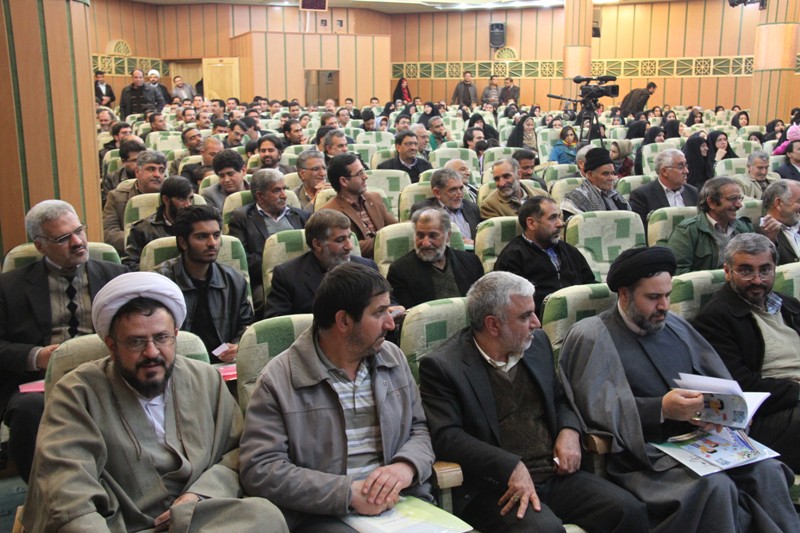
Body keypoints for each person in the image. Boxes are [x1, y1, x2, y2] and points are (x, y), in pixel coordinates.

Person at [22, 271, 287, 532]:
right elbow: (67, 486)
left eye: (162, 338)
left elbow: (239, 451)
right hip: (120, 524)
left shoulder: (205, 379)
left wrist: (201, 493)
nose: (151, 352)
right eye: (136, 342)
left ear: (175, 335)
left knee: (265, 516)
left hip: (198, 515)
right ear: (112, 346)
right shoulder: (76, 392)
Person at [559, 246, 800, 532]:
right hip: (645, 460)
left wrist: (715, 413)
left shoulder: (674, 325)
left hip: (700, 443)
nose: (664, 306)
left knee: (767, 472)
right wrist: (661, 409)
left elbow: (716, 380)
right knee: (716, 487)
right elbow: (596, 410)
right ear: (624, 294)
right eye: (653, 297)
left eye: (667, 296)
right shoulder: (592, 334)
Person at [420, 271, 649, 532]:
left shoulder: (536, 344)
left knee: (628, 511)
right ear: (493, 325)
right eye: (525, 316)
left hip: (554, 474)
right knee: (544, 530)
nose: (537, 323)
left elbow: (560, 399)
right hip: (495, 486)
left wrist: (569, 431)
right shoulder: (443, 366)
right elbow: (447, 437)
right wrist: (510, 466)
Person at [239, 262, 435, 530]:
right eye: (379, 313)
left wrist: (405, 467)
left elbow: (418, 429)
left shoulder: (393, 359)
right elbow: (261, 469)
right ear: (343, 321)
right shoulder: (279, 379)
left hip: (403, 504)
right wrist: (347, 494)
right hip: (325, 515)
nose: (390, 323)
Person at [0, 200, 126, 483]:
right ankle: (46, 491)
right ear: (40, 246)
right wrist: (36, 356)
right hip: (41, 382)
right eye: (62, 238)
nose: (78, 242)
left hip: (108, 372)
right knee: (27, 411)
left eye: (79, 231)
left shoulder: (117, 277)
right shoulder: (9, 287)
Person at [693, 233, 800, 472]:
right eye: (746, 271)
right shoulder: (716, 318)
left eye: (765, 270)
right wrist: (796, 391)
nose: (757, 280)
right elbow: (739, 385)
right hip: (767, 414)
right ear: (727, 271)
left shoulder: (790, 306)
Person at [154, 205, 254, 364]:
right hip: (177, 363)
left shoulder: (234, 280)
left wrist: (237, 345)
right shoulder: (161, 282)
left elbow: (246, 326)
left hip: (222, 362)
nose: (212, 243)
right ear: (183, 242)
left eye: (216, 235)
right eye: (202, 237)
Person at [264, 209, 379, 318]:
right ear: (318, 244)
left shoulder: (368, 267)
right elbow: (278, 324)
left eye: (349, 237)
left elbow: (384, 306)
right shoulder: (287, 276)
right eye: (340, 240)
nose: (349, 246)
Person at [494, 197, 596, 319]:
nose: (560, 223)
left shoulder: (569, 250)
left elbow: (590, 285)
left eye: (559, 217)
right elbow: (512, 307)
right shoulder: (512, 257)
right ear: (531, 223)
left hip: (581, 317)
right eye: (553, 218)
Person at [228, 169, 309, 315]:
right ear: (260, 196)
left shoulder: (301, 216)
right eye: (277, 190)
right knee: (266, 300)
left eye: (284, 189)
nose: (284, 195)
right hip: (264, 280)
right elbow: (243, 259)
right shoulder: (242, 218)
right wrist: (278, 269)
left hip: (303, 276)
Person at [387, 208, 483, 309]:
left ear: (447, 236)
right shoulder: (400, 271)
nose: (425, 243)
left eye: (433, 236)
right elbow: (406, 313)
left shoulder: (471, 262)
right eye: (420, 235)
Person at [666, 177, 756, 274]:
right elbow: (678, 274)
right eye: (733, 199)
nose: (739, 205)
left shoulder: (744, 227)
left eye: (739, 199)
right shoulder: (687, 232)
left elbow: (757, 262)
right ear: (711, 202)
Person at [319, 153, 397, 258]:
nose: (365, 176)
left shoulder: (375, 198)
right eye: (359, 173)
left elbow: (395, 229)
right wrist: (385, 240)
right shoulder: (330, 213)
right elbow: (351, 247)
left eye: (363, 171)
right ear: (344, 181)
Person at [123, 176, 194, 270]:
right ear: (166, 200)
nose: (188, 205)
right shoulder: (142, 230)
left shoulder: (198, 227)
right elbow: (129, 265)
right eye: (181, 199)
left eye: (190, 199)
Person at [103, 150, 166, 254]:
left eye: (161, 170)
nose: (157, 174)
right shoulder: (117, 197)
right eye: (151, 169)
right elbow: (109, 233)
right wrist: (139, 243)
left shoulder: (171, 197)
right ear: (137, 172)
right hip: (129, 254)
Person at [410, 168, 480, 243]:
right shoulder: (422, 211)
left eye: (461, 188)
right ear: (437, 192)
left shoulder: (472, 207)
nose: (459, 194)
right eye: (453, 190)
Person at [630, 148, 698, 226]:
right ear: (664, 171)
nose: (686, 171)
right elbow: (641, 228)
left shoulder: (693, 192)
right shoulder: (642, 195)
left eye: (685, 165)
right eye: (680, 166)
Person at [561, 147, 631, 220]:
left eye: (612, 173)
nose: (611, 178)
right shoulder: (575, 199)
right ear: (590, 175)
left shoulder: (616, 196)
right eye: (605, 174)